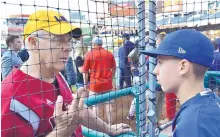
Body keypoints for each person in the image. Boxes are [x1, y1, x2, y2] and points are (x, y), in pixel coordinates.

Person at [1, 10, 131, 137]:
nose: (68, 47)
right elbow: (70, 121)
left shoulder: (56, 74)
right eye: (58, 39)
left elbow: (77, 110)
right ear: (33, 43)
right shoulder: (10, 96)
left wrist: (108, 129)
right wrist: (63, 130)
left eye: (69, 40)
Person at [141, 29, 220, 137]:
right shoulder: (211, 100)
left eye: (160, 63)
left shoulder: (193, 124)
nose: (155, 70)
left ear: (183, 67)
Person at [83, 37, 116, 124]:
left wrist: (85, 83)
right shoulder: (109, 53)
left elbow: (85, 72)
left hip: (95, 85)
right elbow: (114, 68)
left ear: (93, 44)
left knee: (95, 105)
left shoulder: (89, 54)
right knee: (108, 103)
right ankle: (110, 123)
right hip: (107, 84)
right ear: (101, 44)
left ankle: (96, 125)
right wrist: (111, 78)